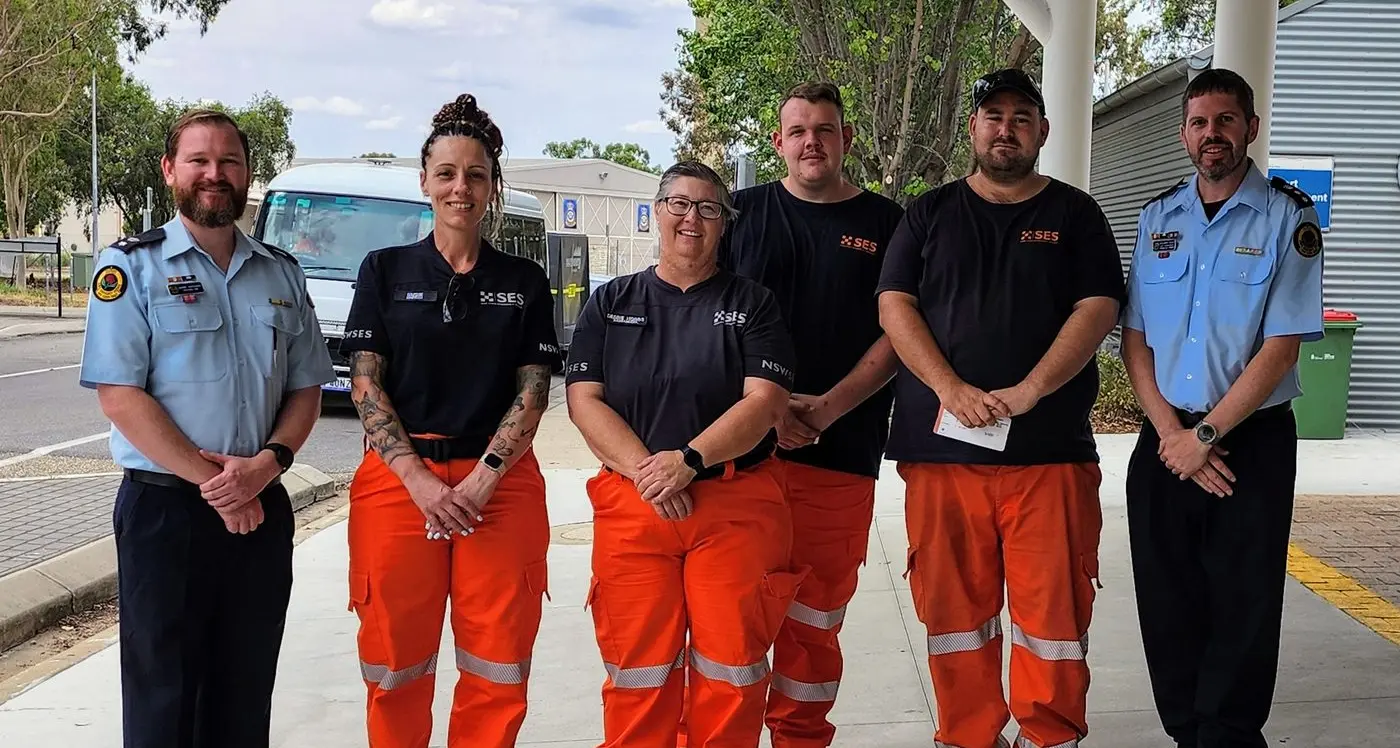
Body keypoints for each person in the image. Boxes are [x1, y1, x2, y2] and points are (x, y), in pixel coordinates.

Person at [875, 68, 1126, 748]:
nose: (1006, 128)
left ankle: (1050, 736)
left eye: (1021, 117)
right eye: (993, 116)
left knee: (1053, 618)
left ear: (1043, 130)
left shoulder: (1076, 215)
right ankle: (967, 735)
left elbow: (1099, 306)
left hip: (1049, 454)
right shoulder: (928, 214)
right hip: (943, 454)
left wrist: (1033, 388)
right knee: (954, 616)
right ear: (973, 129)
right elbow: (894, 304)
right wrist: (949, 388)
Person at [79, 108, 334, 748]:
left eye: (229, 161)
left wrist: (267, 466)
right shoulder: (131, 268)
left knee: (244, 693)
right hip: (166, 513)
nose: (214, 174)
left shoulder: (281, 272)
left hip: (261, 507)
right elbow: (120, 396)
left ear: (247, 174)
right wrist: (220, 486)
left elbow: (306, 387)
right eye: (198, 160)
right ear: (171, 171)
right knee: (162, 698)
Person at [338, 94, 562, 748]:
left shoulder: (525, 281)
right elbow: (365, 383)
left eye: (475, 175)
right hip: (399, 483)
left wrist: (483, 480)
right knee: (395, 661)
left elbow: (533, 390)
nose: (460, 187)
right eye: (446, 173)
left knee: (497, 664)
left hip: (500, 486)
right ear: (424, 182)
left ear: (492, 187)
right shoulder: (384, 271)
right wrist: (419, 482)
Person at [565, 160, 808, 748]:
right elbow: (583, 400)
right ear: (658, 212)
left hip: (733, 505)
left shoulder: (754, 303)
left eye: (707, 208)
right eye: (679, 203)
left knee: (731, 671)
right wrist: (651, 474)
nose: (691, 218)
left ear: (724, 222)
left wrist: (690, 462)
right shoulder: (610, 302)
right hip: (634, 504)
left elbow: (765, 401)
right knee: (638, 671)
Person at [1120, 68, 1324, 748]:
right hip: (1165, 437)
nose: (1213, 134)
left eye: (1226, 120)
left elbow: (1282, 347)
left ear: (1251, 129)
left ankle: (1228, 737)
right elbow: (1136, 337)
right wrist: (1173, 435)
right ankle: (1188, 733)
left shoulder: (1289, 217)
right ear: (1184, 134)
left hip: (1249, 443)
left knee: (1244, 604)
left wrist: (1204, 435)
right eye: (1200, 122)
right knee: (1167, 598)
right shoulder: (1157, 217)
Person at [717, 81, 904, 747]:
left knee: (814, 625)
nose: (811, 142)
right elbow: (707, 317)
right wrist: (764, 410)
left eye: (825, 129)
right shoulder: (738, 214)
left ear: (846, 138)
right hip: (742, 459)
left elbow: (902, 334)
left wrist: (825, 410)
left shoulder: (888, 224)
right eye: (797, 131)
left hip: (841, 455)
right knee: (730, 627)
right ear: (778, 142)